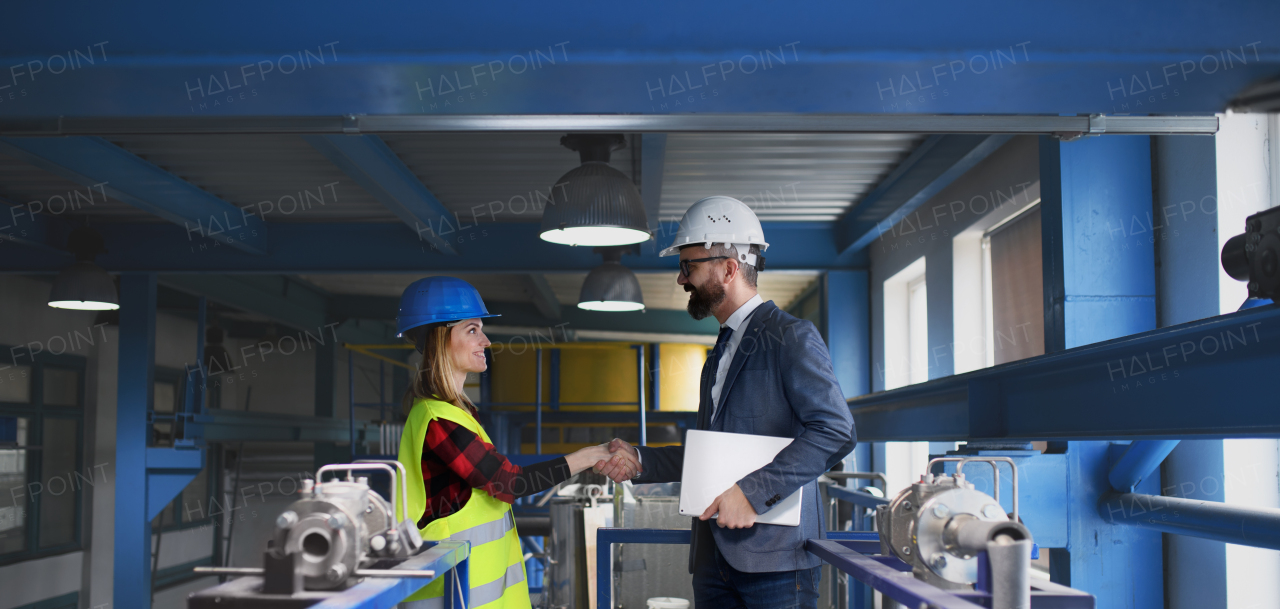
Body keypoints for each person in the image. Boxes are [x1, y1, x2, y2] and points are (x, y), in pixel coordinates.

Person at [597, 196, 856, 609]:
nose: (682, 280)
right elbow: (716, 455)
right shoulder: (720, 352)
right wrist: (642, 460)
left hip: (775, 563)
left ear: (729, 268)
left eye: (689, 266)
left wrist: (753, 493)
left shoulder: (791, 337)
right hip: (713, 560)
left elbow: (835, 431)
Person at [394, 276, 639, 608]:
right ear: (440, 339)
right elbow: (510, 483)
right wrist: (589, 455)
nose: (486, 341)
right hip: (449, 598)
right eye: (472, 330)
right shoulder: (439, 422)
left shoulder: (457, 415)